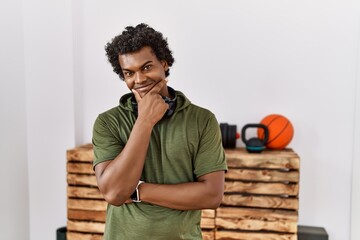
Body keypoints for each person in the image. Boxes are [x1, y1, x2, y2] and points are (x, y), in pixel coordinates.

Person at [92, 23, 227, 240]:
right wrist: (145, 121)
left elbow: (212, 195)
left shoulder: (202, 120)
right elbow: (115, 193)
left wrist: (137, 191)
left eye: (146, 67)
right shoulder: (108, 122)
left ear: (164, 64)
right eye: (129, 73)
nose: (139, 80)